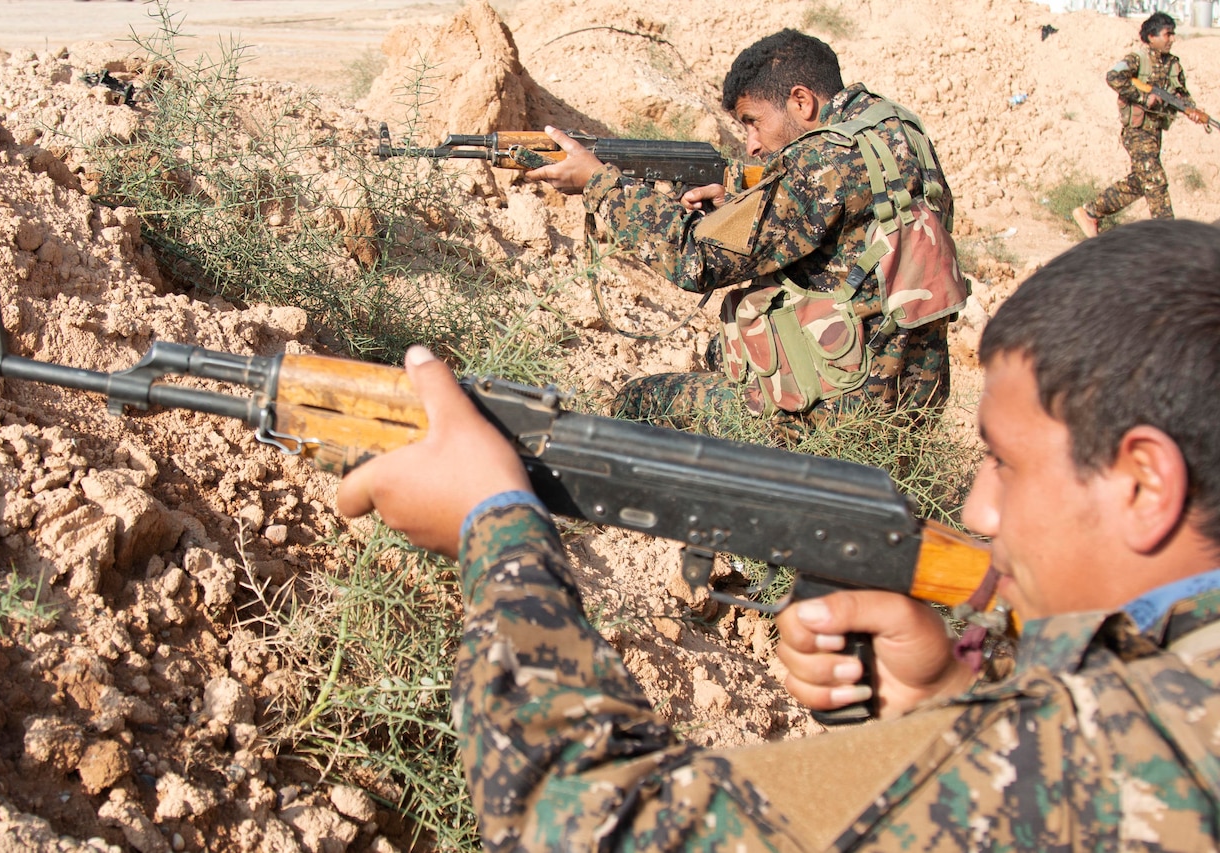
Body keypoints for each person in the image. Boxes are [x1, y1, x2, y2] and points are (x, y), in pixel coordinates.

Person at [338, 218, 1220, 849]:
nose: (981, 511)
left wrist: (495, 527)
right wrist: (939, 707)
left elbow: (575, 817)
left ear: (1145, 482)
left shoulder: (1113, 748)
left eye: (1004, 462)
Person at [522, 29, 963, 440]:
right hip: (911, 408)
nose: (751, 143)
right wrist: (738, 199)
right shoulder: (897, 132)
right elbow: (848, 225)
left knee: (638, 400)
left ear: (801, 102)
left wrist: (600, 185)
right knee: (720, 352)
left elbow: (693, 259)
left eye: (753, 122)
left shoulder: (820, 162)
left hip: (835, 419)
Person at [1072, 12, 1212, 238]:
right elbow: (1114, 77)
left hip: (1155, 131)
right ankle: (1168, 238)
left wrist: (1191, 110)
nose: (1172, 39)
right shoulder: (1138, 59)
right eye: (1167, 34)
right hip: (1137, 131)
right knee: (1155, 179)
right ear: (1151, 36)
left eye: (1173, 34)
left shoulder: (1173, 64)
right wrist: (1142, 97)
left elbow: (1181, 95)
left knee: (1141, 181)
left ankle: (1090, 212)